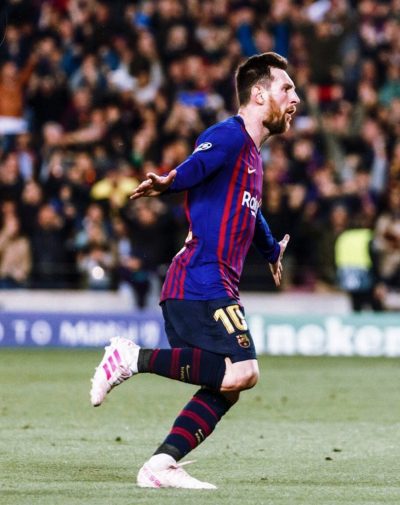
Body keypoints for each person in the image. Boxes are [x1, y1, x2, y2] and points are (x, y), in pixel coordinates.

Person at [90, 52, 299, 489]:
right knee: (244, 371)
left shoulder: (252, 156)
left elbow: (251, 209)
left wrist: (269, 249)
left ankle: (161, 465)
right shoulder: (229, 135)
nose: (295, 98)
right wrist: (172, 180)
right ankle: (131, 358)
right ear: (259, 95)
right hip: (200, 279)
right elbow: (198, 164)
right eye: (287, 88)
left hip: (206, 284)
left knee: (230, 384)